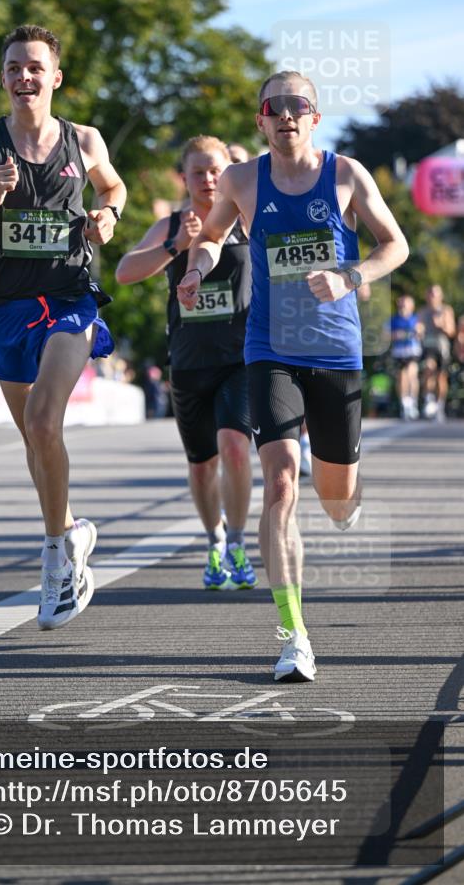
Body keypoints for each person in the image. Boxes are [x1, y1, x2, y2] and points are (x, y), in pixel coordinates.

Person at [178, 71, 408, 681]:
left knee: (335, 500)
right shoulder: (241, 179)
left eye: (297, 105)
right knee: (280, 485)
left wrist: (350, 277)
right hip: (269, 350)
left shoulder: (346, 175)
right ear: (260, 120)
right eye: (273, 106)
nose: (285, 115)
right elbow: (213, 236)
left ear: (315, 117)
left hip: (335, 353)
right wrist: (197, 268)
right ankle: (293, 635)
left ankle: (345, 490)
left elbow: (396, 245)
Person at [0, 24, 126, 630]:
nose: (24, 77)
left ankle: (56, 558)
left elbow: (113, 185)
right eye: (14, 68)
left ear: (55, 78)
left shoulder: (84, 140)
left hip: (69, 300)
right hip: (7, 309)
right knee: (35, 442)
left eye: (35, 67)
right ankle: (71, 532)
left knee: (43, 422)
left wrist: (109, 216)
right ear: (4, 79)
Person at [116, 136, 256, 591]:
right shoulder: (173, 225)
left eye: (216, 170)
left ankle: (238, 543)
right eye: (198, 172)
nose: (209, 179)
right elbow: (124, 271)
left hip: (239, 359)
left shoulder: (247, 220)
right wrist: (175, 246)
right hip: (189, 362)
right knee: (201, 466)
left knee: (234, 447)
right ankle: (214, 541)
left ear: (229, 172)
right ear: (184, 178)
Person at [416, 284, 456, 421]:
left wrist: (441, 325)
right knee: (429, 368)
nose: (433, 297)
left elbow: (452, 331)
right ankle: (429, 400)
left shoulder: (446, 310)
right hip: (428, 347)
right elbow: (418, 327)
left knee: (441, 377)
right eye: (431, 294)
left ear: (441, 296)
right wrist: (418, 331)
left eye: (435, 294)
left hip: (442, 347)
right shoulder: (423, 311)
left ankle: (440, 405)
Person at [388, 294, 422, 419]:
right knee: (402, 377)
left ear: (412, 305)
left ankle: (413, 401)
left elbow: (421, 331)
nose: (403, 305)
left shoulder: (416, 319)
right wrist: (395, 335)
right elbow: (386, 335)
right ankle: (405, 403)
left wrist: (419, 331)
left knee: (412, 373)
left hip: (412, 350)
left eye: (406, 303)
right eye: (401, 302)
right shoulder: (394, 319)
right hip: (399, 352)